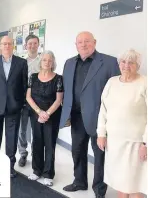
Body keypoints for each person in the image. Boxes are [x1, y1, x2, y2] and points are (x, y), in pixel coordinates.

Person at [59, 31, 120, 198]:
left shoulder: (109, 62)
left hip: (99, 118)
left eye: (87, 41)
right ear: (76, 45)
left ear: (95, 42)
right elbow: (66, 89)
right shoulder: (69, 63)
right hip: (76, 116)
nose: (84, 45)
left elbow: (116, 92)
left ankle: (99, 189)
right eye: (80, 42)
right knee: (77, 151)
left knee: (99, 155)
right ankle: (79, 181)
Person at [97, 49, 147, 198]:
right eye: (123, 62)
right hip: (114, 142)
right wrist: (101, 134)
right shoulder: (112, 82)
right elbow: (103, 110)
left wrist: (146, 143)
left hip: (136, 143)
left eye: (131, 62)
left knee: (134, 182)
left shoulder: (144, 82)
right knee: (120, 181)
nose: (126, 65)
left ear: (138, 65)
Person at [0, 36, 28, 178]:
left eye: (9, 44)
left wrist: (21, 103)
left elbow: (23, 85)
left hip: (14, 107)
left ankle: (10, 166)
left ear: (13, 46)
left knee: (12, 138)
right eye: (4, 44)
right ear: (0, 46)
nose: (6, 46)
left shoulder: (21, 63)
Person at [26, 50, 63, 186]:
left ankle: (48, 174)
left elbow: (58, 100)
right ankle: (37, 171)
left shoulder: (58, 78)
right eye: (44, 60)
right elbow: (28, 97)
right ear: (40, 62)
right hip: (35, 113)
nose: (47, 62)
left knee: (49, 144)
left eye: (49, 60)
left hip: (52, 115)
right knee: (36, 142)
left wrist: (47, 113)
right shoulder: (33, 77)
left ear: (53, 62)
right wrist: (38, 111)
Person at [18, 34, 41, 167]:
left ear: (38, 44)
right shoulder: (22, 63)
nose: (32, 46)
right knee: (22, 129)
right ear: (26, 46)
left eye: (34, 43)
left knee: (36, 128)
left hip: (38, 101)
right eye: (29, 44)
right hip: (23, 101)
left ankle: (36, 154)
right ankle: (23, 153)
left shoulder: (43, 61)